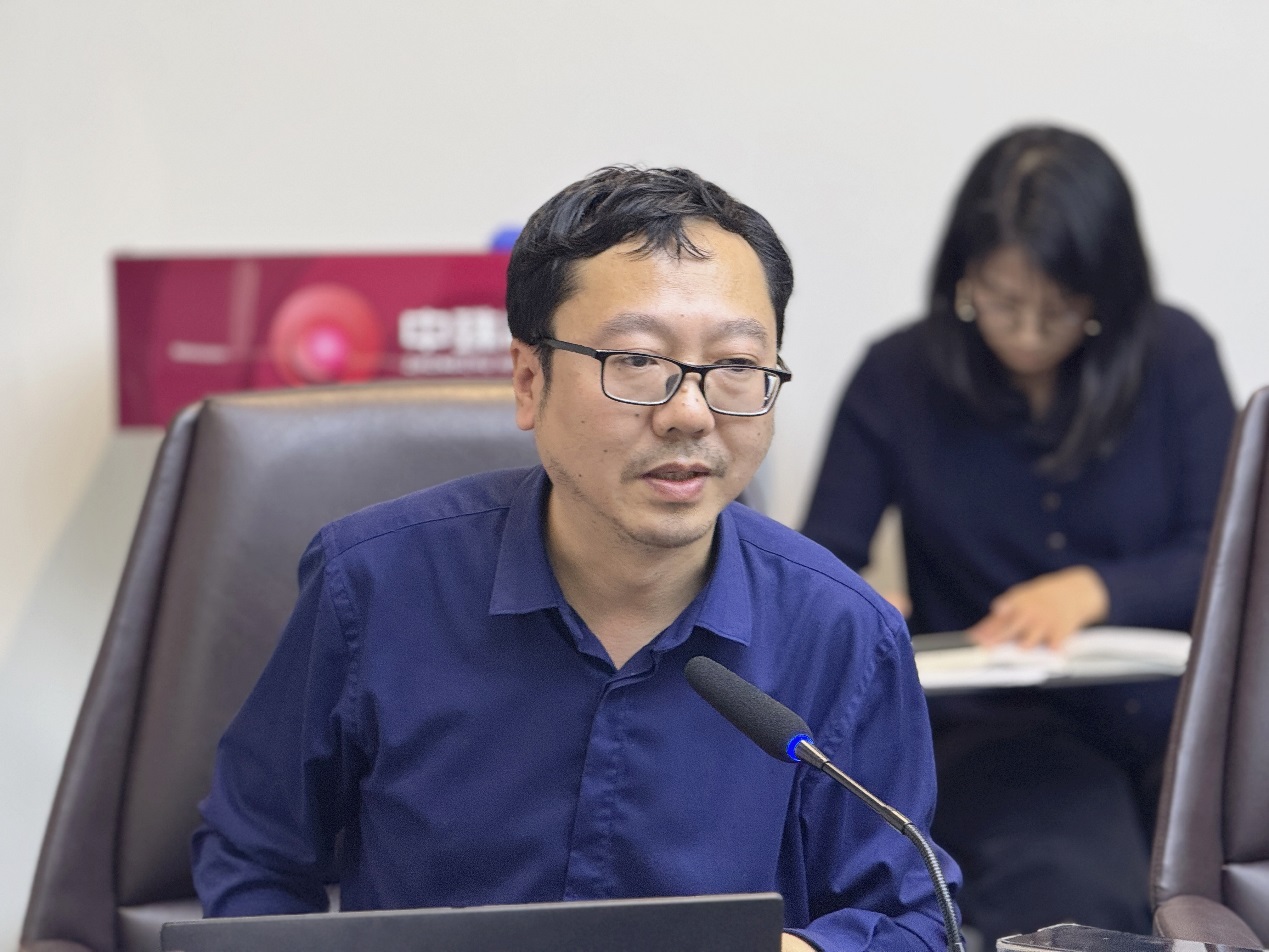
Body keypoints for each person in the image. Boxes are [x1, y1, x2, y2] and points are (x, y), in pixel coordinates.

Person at [192, 166, 961, 952]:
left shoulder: (842, 631)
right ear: (529, 380)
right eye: (636, 360)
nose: (688, 413)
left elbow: (912, 919)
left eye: (735, 365)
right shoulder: (373, 586)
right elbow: (255, 855)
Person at [802, 126, 1236, 943]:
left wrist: (1096, 590)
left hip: (1177, 721)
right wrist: (860, 605)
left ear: (1106, 289)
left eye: (1060, 308)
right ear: (962, 274)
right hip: (998, 728)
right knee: (1075, 899)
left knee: (1229, 882)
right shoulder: (898, 375)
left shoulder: (1173, 355)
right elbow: (822, 557)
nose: (1028, 333)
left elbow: (1223, 555)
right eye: (1001, 302)